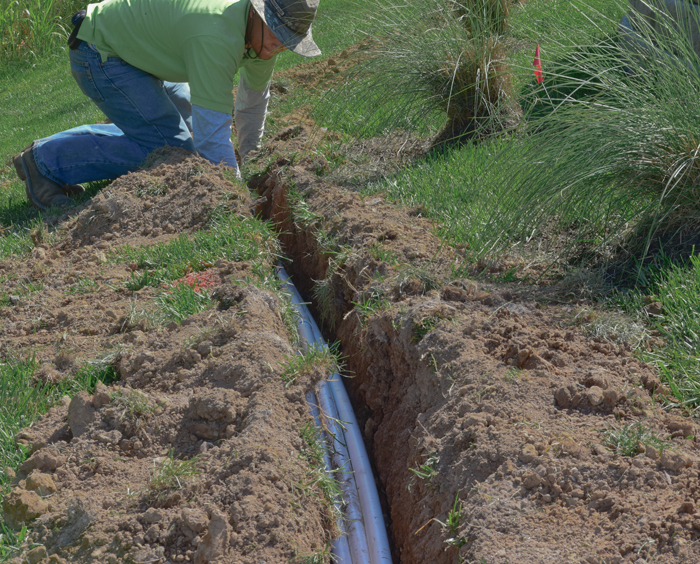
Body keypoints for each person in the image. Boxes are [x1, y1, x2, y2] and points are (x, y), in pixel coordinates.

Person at [12, 0, 321, 210]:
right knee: (173, 151)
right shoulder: (215, 32)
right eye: (275, 34)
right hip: (102, 51)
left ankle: (50, 155)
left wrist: (251, 159)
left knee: (188, 138)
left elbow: (253, 101)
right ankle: (44, 162)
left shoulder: (259, 35)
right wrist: (238, 199)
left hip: (146, 50)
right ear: (257, 11)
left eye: (286, 41)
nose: (276, 47)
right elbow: (212, 137)